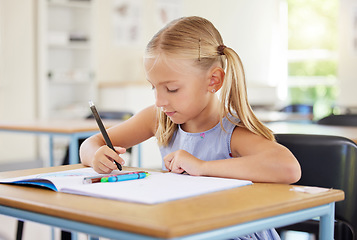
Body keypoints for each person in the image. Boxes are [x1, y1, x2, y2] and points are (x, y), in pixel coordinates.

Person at [80, 16, 301, 240]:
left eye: (172, 89)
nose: (159, 101)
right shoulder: (158, 119)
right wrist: (96, 155)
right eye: (154, 87)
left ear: (213, 80)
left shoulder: (231, 132)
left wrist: (202, 167)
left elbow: (289, 168)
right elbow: (91, 143)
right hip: (187, 230)